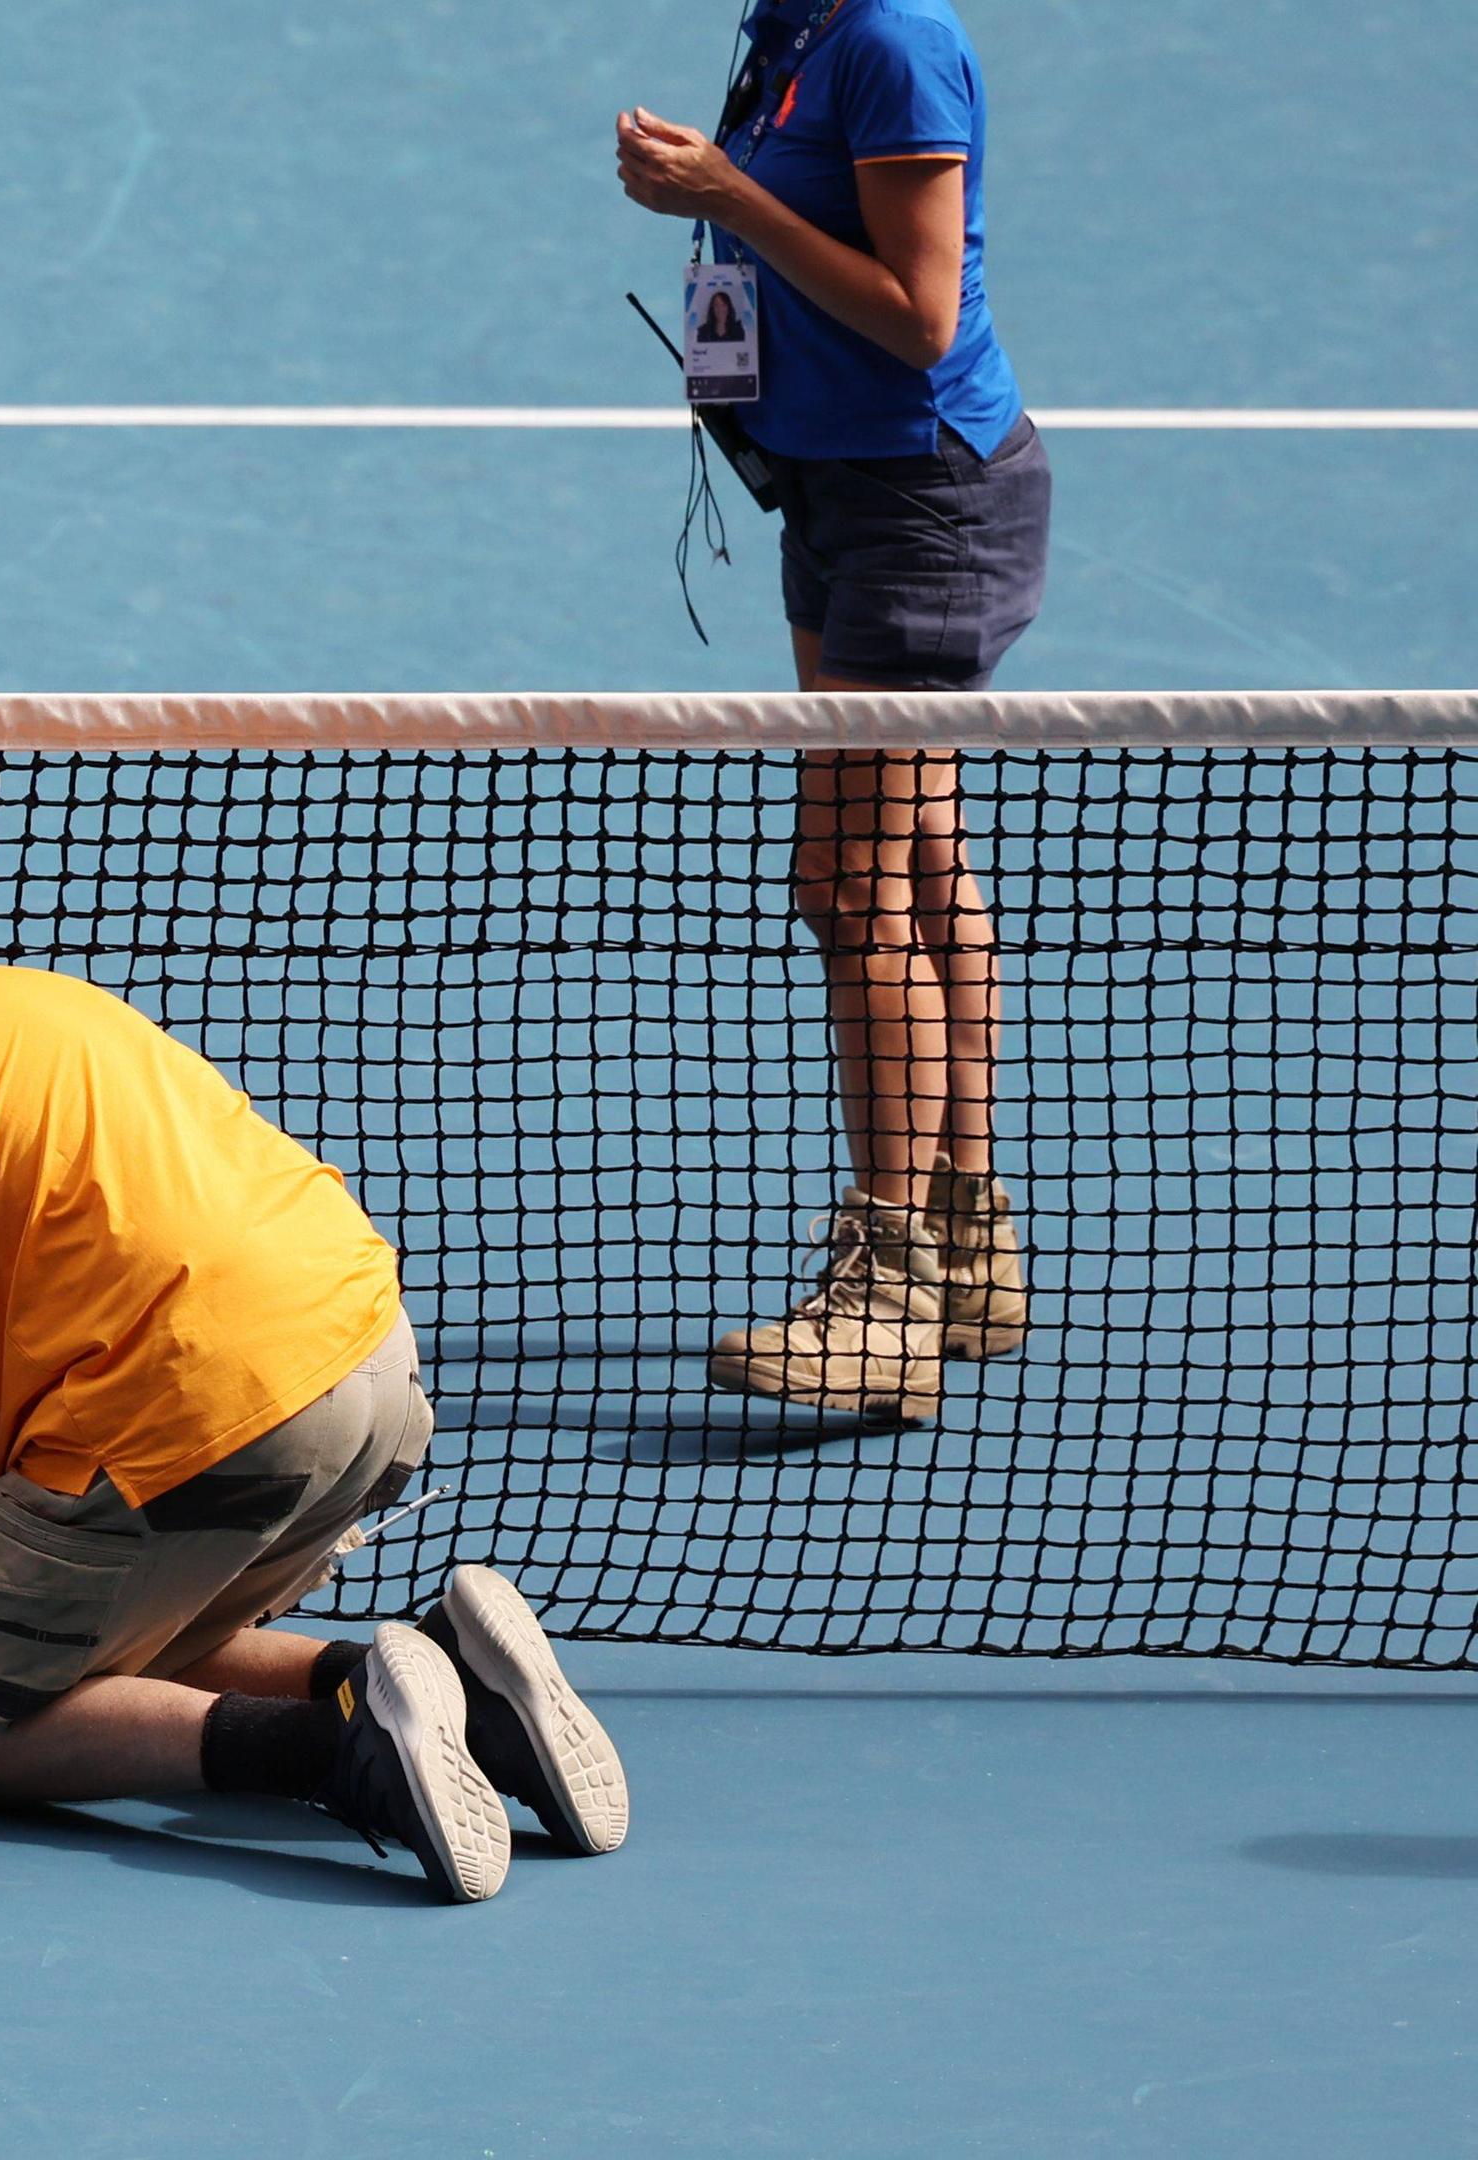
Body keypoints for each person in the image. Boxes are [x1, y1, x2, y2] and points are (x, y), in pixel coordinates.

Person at [0, 924, 629, 1903]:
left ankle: (344, 1749)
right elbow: (22, 1445)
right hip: (369, 1368)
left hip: (195, 1413)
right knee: (126, 1651)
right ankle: (456, 1687)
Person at [616, 0, 1045, 1420]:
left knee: (849, 884)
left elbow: (919, 320)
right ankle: (967, 1236)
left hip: (921, 500)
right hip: (836, 490)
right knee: (917, 867)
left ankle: (885, 1297)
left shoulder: (890, 40)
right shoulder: (793, 31)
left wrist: (723, 193)